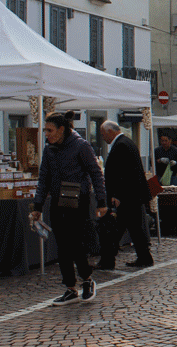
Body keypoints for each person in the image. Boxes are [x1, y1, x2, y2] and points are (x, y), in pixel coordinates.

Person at [30, 111, 107, 305]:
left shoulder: (81, 146)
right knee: (62, 246)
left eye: (50, 130)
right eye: (45, 130)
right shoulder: (49, 150)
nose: (46, 134)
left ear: (61, 129)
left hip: (78, 201)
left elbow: (96, 174)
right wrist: (37, 205)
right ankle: (70, 288)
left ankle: (87, 280)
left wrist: (101, 201)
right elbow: (43, 179)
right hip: (57, 201)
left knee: (75, 243)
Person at [97, 121, 153, 269]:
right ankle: (143, 257)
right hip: (130, 196)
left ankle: (108, 260)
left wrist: (117, 195)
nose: (102, 137)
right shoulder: (125, 142)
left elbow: (123, 174)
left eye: (103, 134)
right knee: (132, 229)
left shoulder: (121, 145)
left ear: (110, 131)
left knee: (119, 229)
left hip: (127, 197)